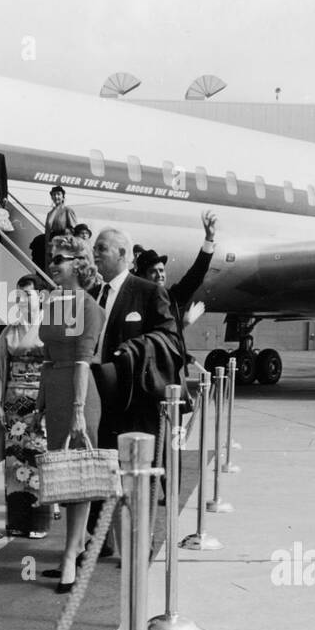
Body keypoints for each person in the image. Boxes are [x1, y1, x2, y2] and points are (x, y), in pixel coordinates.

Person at [90, 227, 180, 554]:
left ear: (123, 255)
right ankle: (103, 542)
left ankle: (139, 545)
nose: (95, 253)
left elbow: (171, 340)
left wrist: (134, 350)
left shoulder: (148, 292)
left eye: (102, 248)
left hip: (134, 402)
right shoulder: (93, 293)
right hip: (98, 397)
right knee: (103, 473)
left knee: (133, 481)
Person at [37, 236, 104, 592]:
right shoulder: (54, 302)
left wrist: (78, 410)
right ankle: (76, 547)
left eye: (59, 259)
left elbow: (82, 361)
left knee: (78, 478)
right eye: (51, 259)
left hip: (80, 396)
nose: (52, 265)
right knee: (64, 478)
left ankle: (68, 558)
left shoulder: (88, 306)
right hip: (57, 394)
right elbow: (48, 358)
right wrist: (39, 406)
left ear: (79, 264)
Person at [0, 276, 51, 539]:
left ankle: (37, 522)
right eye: (18, 296)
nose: (21, 300)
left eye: (27, 294)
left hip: (41, 402)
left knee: (37, 460)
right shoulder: (10, 332)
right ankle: (16, 521)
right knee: (15, 461)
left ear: (42, 297)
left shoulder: (50, 327)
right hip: (14, 405)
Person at [135, 209, 218, 366]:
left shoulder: (171, 297)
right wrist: (182, 323)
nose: (160, 275)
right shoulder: (134, 301)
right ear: (142, 276)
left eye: (161, 270)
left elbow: (196, 274)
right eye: (153, 271)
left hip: (170, 370)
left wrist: (209, 239)